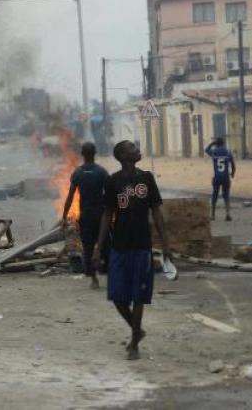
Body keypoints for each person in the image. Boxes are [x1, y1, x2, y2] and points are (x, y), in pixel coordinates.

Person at [94, 140, 171, 361]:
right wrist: (99, 248)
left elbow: (156, 212)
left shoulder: (147, 178)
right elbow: (107, 214)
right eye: (133, 148)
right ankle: (137, 330)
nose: (138, 150)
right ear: (123, 156)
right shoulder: (112, 182)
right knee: (118, 297)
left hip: (141, 246)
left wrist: (165, 245)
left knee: (138, 296)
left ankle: (134, 342)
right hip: (119, 246)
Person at [62, 142, 109, 289]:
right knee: (106, 245)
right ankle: (108, 273)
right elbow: (110, 194)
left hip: (86, 215)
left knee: (87, 247)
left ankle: (94, 279)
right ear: (94, 153)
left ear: (82, 154)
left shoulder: (78, 173)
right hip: (101, 215)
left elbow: (70, 197)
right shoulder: (102, 172)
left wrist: (64, 216)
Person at [205, 137, 236, 221]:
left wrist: (212, 143)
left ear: (216, 144)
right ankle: (228, 214)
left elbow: (206, 150)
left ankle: (212, 215)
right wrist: (233, 173)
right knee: (226, 195)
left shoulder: (214, 152)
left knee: (214, 195)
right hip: (226, 177)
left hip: (217, 177)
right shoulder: (228, 152)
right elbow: (233, 164)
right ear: (223, 143)